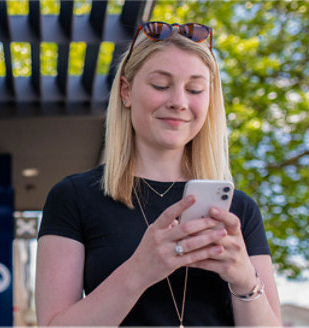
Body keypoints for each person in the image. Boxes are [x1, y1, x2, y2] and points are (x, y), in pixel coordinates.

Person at [35, 21, 282, 326]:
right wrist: (138, 271)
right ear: (126, 91)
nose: (178, 102)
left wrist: (245, 281)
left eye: (194, 89)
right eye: (161, 85)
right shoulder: (74, 197)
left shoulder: (239, 209)